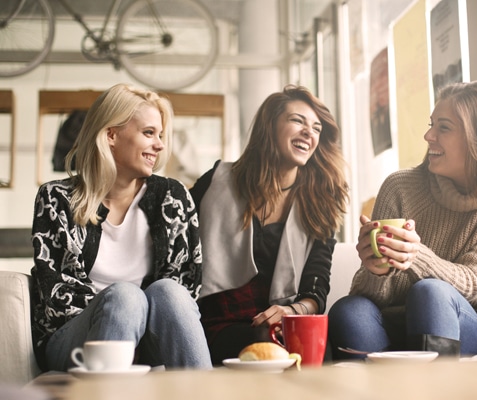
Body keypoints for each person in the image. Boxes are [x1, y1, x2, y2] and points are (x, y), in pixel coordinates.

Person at [328, 80, 477, 359]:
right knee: (349, 310)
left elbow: (475, 284)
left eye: (443, 127)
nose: (428, 136)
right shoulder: (400, 187)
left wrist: (414, 257)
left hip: (459, 323)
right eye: (431, 124)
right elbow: (372, 297)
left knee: (430, 293)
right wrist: (376, 270)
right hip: (390, 324)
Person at [30, 83, 212, 372]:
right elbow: (58, 297)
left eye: (161, 135)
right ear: (111, 135)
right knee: (126, 297)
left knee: (169, 291)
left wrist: (140, 326)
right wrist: (128, 314)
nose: (160, 145)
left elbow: (188, 282)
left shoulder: (172, 197)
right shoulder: (57, 199)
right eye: (149, 133)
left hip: (148, 336)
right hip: (74, 338)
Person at [190, 85, 349, 365]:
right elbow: (179, 252)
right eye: (297, 120)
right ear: (269, 126)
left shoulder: (320, 203)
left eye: (316, 128)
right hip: (218, 323)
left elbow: (316, 287)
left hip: (284, 323)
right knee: (267, 345)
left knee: (320, 345)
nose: (309, 133)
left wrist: (293, 310)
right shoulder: (215, 181)